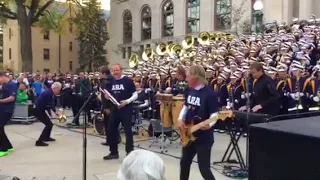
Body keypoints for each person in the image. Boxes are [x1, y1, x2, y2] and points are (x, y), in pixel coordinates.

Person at [177, 65, 218, 180]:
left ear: (195, 78)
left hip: (204, 138)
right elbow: (186, 106)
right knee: (184, 162)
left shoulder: (209, 94)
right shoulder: (190, 90)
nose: (186, 79)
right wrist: (180, 119)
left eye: (188, 77)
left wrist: (209, 124)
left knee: (204, 168)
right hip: (189, 134)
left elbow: (215, 114)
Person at [103, 64, 138, 160]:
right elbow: (109, 95)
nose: (115, 72)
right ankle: (113, 152)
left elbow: (135, 95)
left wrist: (127, 101)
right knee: (110, 129)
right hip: (115, 109)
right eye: (114, 71)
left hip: (126, 109)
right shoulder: (111, 82)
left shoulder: (128, 81)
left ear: (121, 70)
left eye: (117, 70)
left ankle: (130, 152)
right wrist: (107, 97)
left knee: (127, 131)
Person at [34, 82, 62, 147]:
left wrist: (55, 111)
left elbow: (51, 104)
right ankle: (39, 141)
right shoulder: (48, 93)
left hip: (41, 109)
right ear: (55, 88)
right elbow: (47, 105)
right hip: (38, 110)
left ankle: (46, 137)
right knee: (48, 124)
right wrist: (52, 112)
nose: (59, 91)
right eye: (59, 89)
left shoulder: (50, 93)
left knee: (50, 124)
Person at [0, 72, 18, 157]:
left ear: (3, 77)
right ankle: (8, 146)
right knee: (1, 128)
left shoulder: (12, 84)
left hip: (7, 110)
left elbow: (11, 98)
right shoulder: (4, 85)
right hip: (2, 109)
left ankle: (3, 149)